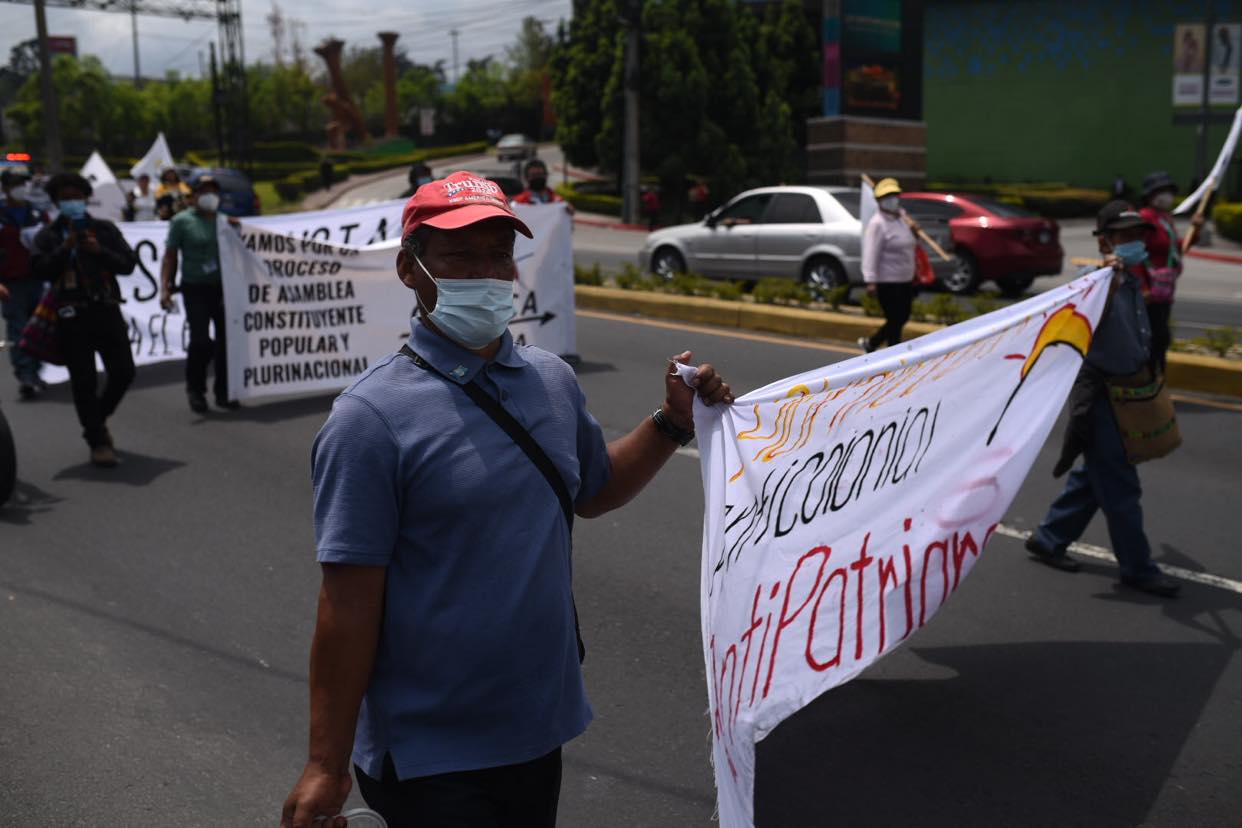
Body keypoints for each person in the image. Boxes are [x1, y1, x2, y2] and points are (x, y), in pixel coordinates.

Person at [280, 171, 733, 828]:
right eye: (461, 256)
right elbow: (346, 608)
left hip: (534, 729)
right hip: (431, 754)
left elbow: (595, 487)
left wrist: (672, 421)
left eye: (497, 253)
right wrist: (326, 762)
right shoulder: (369, 420)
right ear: (411, 269)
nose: (485, 272)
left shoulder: (549, 380)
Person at [1025, 201, 1179, 598]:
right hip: (1101, 397)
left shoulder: (1130, 279)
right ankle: (1138, 569)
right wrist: (1107, 280)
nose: (1134, 243)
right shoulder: (1095, 283)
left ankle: (1048, 537)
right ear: (1105, 241)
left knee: (1096, 477)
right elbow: (1082, 326)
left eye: (1137, 235)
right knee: (1121, 485)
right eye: (1124, 236)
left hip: (1127, 394)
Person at [30, 173, 136, 468]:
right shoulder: (47, 236)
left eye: (77, 196)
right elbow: (39, 270)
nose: (72, 202)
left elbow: (128, 264)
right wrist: (66, 249)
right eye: (65, 197)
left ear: (86, 197)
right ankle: (98, 442)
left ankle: (95, 421)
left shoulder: (103, 230)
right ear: (56, 202)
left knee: (123, 372)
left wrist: (98, 251)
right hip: (70, 316)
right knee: (84, 380)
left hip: (106, 310)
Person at [161, 175, 239, 414]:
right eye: (204, 191)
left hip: (223, 289)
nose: (210, 196)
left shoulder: (226, 222)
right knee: (201, 341)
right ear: (193, 196)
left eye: (214, 191)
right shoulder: (181, 222)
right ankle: (195, 390)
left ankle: (225, 392)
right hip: (195, 288)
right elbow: (171, 255)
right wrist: (166, 286)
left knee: (227, 342)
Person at [1138, 170, 1203, 373]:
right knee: (1155, 336)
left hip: (1165, 290)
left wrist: (1196, 229)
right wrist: (1143, 287)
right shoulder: (1145, 218)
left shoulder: (1165, 219)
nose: (1166, 196)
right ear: (1151, 195)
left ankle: (1157, 377)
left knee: (1161, 336)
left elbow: (1177, 248)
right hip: (1150, 292)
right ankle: (1151, 377)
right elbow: (1137, 254)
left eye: (1168, 191)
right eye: (1161, 191)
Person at [0, 170, 49, 399]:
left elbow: (52, 241)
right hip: (11, 283)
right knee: (18, 329)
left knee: (39, 329)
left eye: (22, 183)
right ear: (5, 188)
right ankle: (25, 375)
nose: (20, 187)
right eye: (15, 184)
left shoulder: (36, 213)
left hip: (38, 279)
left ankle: (38, 371)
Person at [858, 177, 916, 353]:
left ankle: (874, 344)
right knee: (896, 318)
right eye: (888, 196)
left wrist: (915, 231)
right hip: (887, 281)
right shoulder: (877, 224)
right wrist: (871, 281)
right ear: (879, 201)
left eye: (895, 195)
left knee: (903, 316)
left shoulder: (902, 217)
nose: (893, 199)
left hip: (905, 278)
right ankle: (890, 352)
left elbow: (911, 243)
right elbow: (870, 254)